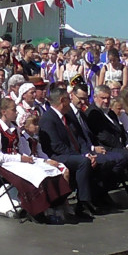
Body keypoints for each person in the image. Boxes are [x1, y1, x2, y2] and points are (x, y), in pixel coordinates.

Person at [0, 98, 72, 220]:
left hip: (19, 161)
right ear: (4, 112)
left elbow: (23, 150)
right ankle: (37, 210)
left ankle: (54, 204)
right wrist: (20, 158)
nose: (16, 112)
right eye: (13, 110)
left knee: (51, 170)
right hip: (5, 165)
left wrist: (36, 160)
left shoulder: (15, 129)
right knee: (38, 175)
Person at [38, 87, 98, 221]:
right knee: (83, 163)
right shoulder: (48, 119)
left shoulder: (68, 116)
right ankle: (83, 203)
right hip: (57, 156)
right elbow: (56, 147)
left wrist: (87, 153)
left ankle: (98, 196)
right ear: (62, 100)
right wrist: (82, 157)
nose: (70, 102)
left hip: (74, 153)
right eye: (68, 99)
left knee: (100, 160)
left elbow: (80, 139)